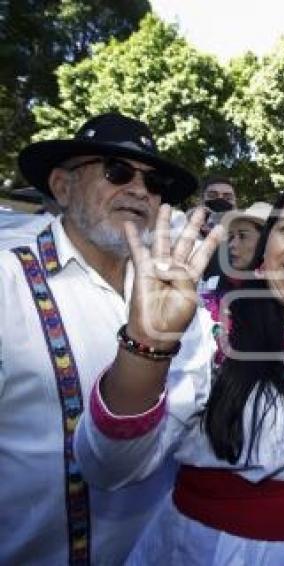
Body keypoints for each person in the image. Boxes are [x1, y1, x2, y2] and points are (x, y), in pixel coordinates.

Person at [74, 179, 284, 565]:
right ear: (267, 242)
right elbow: (110, 467)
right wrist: (147, 345)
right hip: (206, 551)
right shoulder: (213, 329)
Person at [0, 111, 202, 564]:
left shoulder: (184, 297)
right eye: (117, 172)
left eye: (154, 184)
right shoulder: (6, 284)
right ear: (62, 186)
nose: (139, 190)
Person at [200, 201, 272, 368]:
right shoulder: (215, 288)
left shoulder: (283, 299)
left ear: (266, 242)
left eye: (243, 236)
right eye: (231, 236)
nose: (232, 244)